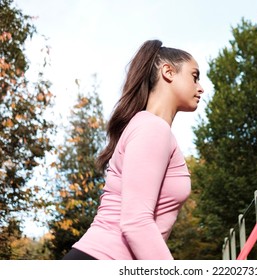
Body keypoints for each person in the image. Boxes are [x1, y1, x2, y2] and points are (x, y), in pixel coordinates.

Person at [62, 39, 204, 260]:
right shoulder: (152, 128)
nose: (200, 87)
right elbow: (136, 222)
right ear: (168, 72)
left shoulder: (148, 127)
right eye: (194, 77)